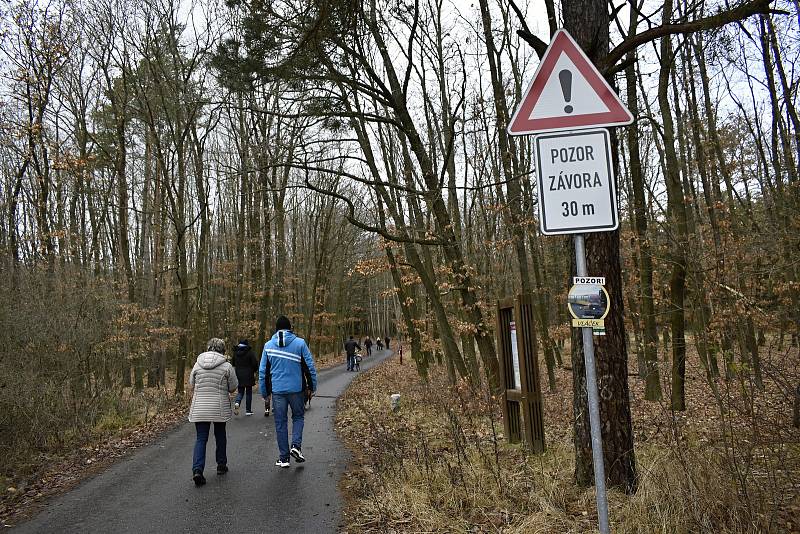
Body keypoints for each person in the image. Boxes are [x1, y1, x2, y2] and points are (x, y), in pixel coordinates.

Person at [260, 316, 317, 468]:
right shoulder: (300, 343)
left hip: (278, 391)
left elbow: (263, 372)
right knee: (298, 417)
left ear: (276, 329)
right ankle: (296, 446)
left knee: (280, 423)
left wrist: (265, 392)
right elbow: (309, 367)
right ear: (290, 328)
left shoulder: (268, 346)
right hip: (297, 390)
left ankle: (284, 458)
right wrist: (312, 386)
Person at [188, 338, 238, 486]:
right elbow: (233, 387)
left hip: (200, 408)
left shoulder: (198, 364)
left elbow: (191, 384)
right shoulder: (227, 366)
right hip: (219, 407)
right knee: (220, 435)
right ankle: (221, 465)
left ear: (208, 348)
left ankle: (197, 470)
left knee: (201, 438)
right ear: (223, 350)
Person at [232, 339, 258, 416]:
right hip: (249, 374)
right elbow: (254, 363)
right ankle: (248, 410)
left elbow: (233, 363)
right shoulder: (250, 352)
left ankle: (237, 402)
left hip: (238, 374)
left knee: (240, 391)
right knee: (249, 393)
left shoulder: (235, 353)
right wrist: (255, 370)